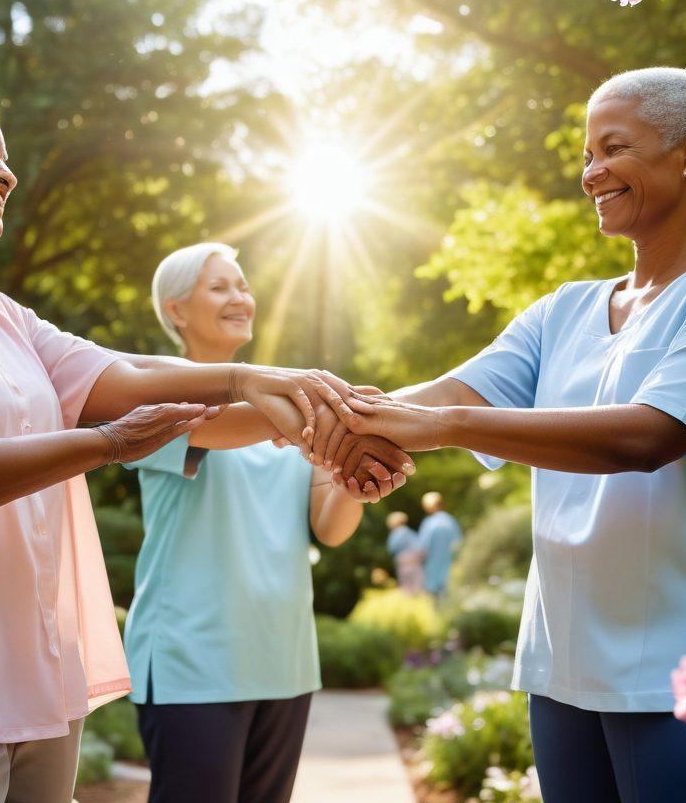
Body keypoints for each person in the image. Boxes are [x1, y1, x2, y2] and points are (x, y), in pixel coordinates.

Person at [0, 79, 402, 803]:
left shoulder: (0, 315)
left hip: (32, 691)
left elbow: (130, 375)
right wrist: (106, 444)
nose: (6, 171)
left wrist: (268, 384)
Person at [311, 68, 686, 803]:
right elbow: (444, 394)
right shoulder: (564, 309)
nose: (590, 172)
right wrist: (330, 419)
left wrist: (434, 428)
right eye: (586, 153)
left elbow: (645, 439)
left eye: (613, 147)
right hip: (564, 670)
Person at [123, 243, 408, 803]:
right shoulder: (159, 394)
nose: (240, 298)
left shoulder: (287, 407)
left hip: (283, 659)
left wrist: (357, 476)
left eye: (244, 286)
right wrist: (326, 417)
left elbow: (329, 528)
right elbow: (219, 427)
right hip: (192, 660)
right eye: (220, 287)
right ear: (175, 309)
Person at [418, 492, 462, 599]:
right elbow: (458, 542)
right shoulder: (449, 520)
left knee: (433, 595)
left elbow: (423, 546)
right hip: (449, 562)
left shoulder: (429, 523)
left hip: (432, 564)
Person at [386, 511, 424, 594]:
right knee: (417, 586)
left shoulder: (394, 534)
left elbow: (391, 549)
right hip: (414, 562)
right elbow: (420, 547)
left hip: (402, 562)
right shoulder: (408, 532)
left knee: (406, 588)